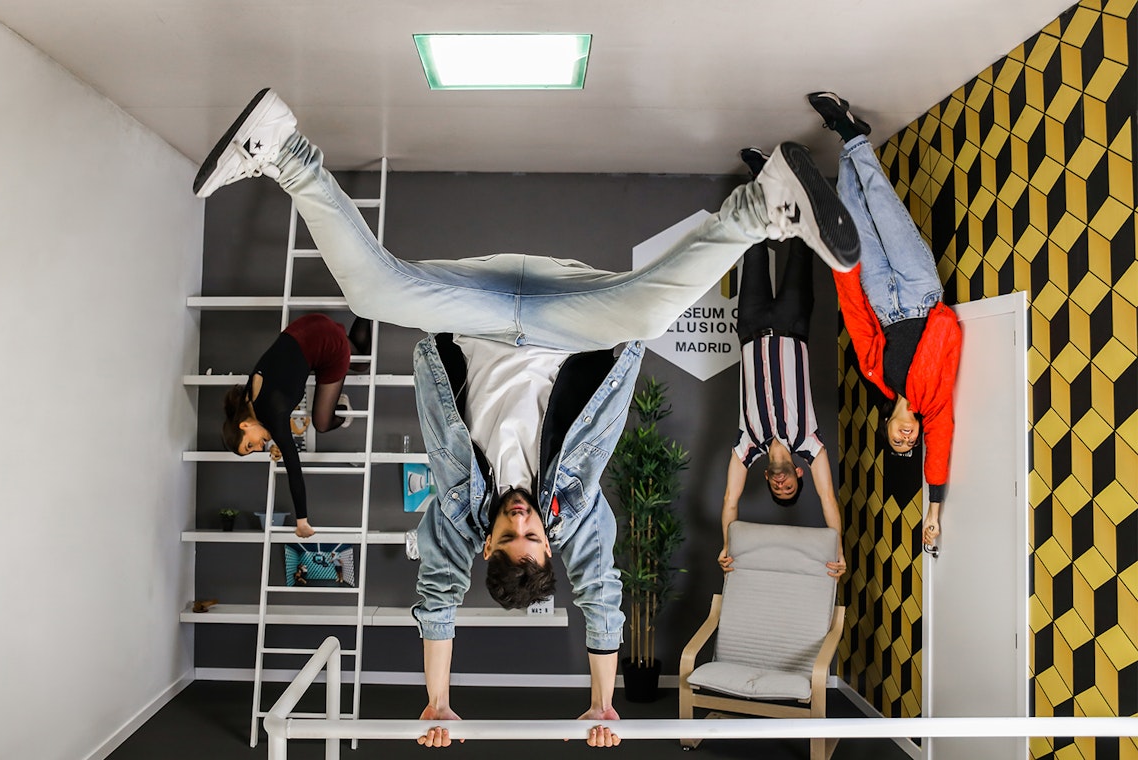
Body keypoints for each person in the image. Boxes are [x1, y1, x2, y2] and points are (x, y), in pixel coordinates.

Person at [193, 88, 860, 746]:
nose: (521, 523)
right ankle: (764, 204)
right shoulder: (576, 513)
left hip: (473, 307)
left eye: (508, 538)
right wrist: (602, 705)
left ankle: (282, 149)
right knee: (652, 317)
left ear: (487, 546)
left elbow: (436, 604)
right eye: (534, 541)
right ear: (548, 547)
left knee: (369, 290)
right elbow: (601, 599)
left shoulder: (457, 519)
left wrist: (437, 702)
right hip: (569, 313)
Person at [807, 91, 962, 549]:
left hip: (881, 299)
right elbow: (941, 450)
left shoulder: (878, 378)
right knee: (883, 204)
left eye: (897, 443)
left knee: (852, 213)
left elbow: (858, 322)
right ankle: (849, 133)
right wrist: (933, 511)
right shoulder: (933, 407)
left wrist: (844, 270)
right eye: (909, 445)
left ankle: (851, 142)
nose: (906, 438)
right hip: (920, 292)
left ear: (887, 431)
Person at [717, 148, 846, 577]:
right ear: (800, 476)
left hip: (752, 327)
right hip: (793, 325)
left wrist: (726, 547)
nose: (780, 483)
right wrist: (838, 552)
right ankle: (797, 187)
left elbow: (730, 502)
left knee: (754, 249)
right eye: (788, 486)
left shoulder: (745, 445)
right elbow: (829, 501)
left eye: (777, 487)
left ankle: (761, 175)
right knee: (797, 251)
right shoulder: (810, 443)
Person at [222, 313, 371, 538]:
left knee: (322, 423)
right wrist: (275, 441)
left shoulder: (273, 414)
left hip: (325, 343)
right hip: (306, 327)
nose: (258, 448)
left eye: (249, 446)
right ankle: (365, 309)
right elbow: (269, 414)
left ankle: (342, 410)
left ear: (244, 425)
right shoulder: (247, 399)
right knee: (359, 364)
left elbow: (294, 469)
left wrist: (302, 520)